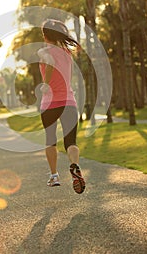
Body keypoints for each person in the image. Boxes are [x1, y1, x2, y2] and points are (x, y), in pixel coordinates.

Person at [38, 19, 85, 194]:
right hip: (69, 102)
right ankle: (74, 165)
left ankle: (54, 176)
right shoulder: (66, 52)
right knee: (71, 142)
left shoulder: (43, 51)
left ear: (45, 35)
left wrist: (46, 83)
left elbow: (49, 63)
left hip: (49, 103)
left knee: (50, 140)